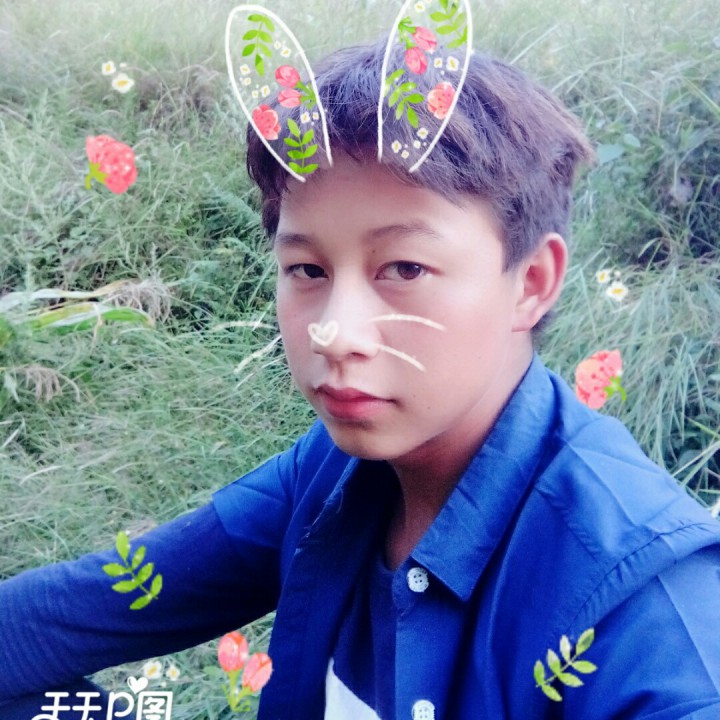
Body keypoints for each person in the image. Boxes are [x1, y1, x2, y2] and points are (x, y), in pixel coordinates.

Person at [2, 33, 720, 720]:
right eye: (307, 269)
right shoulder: (330, 476)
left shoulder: (641, 611)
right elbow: (55, 622)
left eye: (404, 268)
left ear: (531, 281)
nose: (336, 334)